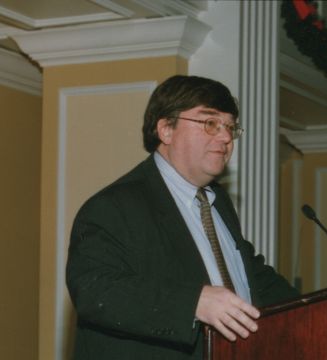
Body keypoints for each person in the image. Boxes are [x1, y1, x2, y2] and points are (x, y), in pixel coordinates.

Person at [66, 75, 299, 359]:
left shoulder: (217, 201)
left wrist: (319, 309)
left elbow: (251, 275)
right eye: (210, 123)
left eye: (230, 127)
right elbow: (96, 291)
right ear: (166, 129)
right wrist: (193, 302)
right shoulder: (113, 206)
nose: (225, 137)